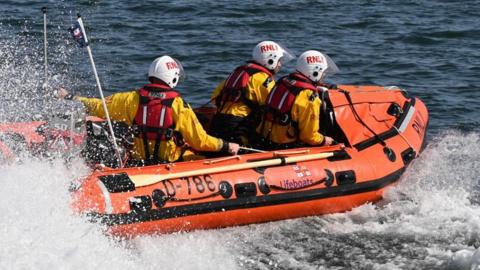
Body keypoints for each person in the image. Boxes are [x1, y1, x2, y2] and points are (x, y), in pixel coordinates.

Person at [58, 55, 239, 165]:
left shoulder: (131, 98)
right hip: (172, 162)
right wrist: (226, 145)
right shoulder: (178, 105)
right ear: (173, 78)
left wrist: (70, 97)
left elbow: (98, 106)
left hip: (140, 162)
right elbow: (200, 141)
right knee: (210, 158)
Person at [210, 41, 294, 145]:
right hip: (239, 127)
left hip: (217, 122)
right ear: (270, 60)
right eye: (279, 61)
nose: (280, 64)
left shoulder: (237, 73)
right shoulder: (263, 80)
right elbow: (275, 106)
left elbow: (214, 97)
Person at [253, 50, 339, 150]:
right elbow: (309, 136)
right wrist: (324, 140)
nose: (323, 76)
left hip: (264, 137)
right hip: (285, 145)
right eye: (323, 72)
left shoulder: (284, 81)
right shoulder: (309, 96)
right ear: (315, 72)